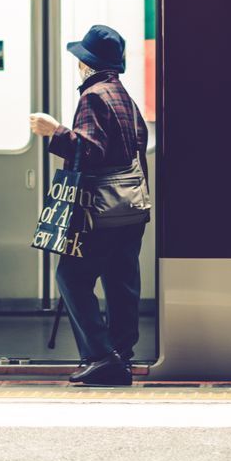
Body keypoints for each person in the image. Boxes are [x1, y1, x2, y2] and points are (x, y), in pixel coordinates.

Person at [30, 23, 150, 386]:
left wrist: (55, 132)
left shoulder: (93, 96)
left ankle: (101, 356)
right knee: (121, 282)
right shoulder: (123, 96)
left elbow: (91, 150)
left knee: (71, 276)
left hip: (99, 211)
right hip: (131, 206)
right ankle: (121, 356)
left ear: (87, 64)